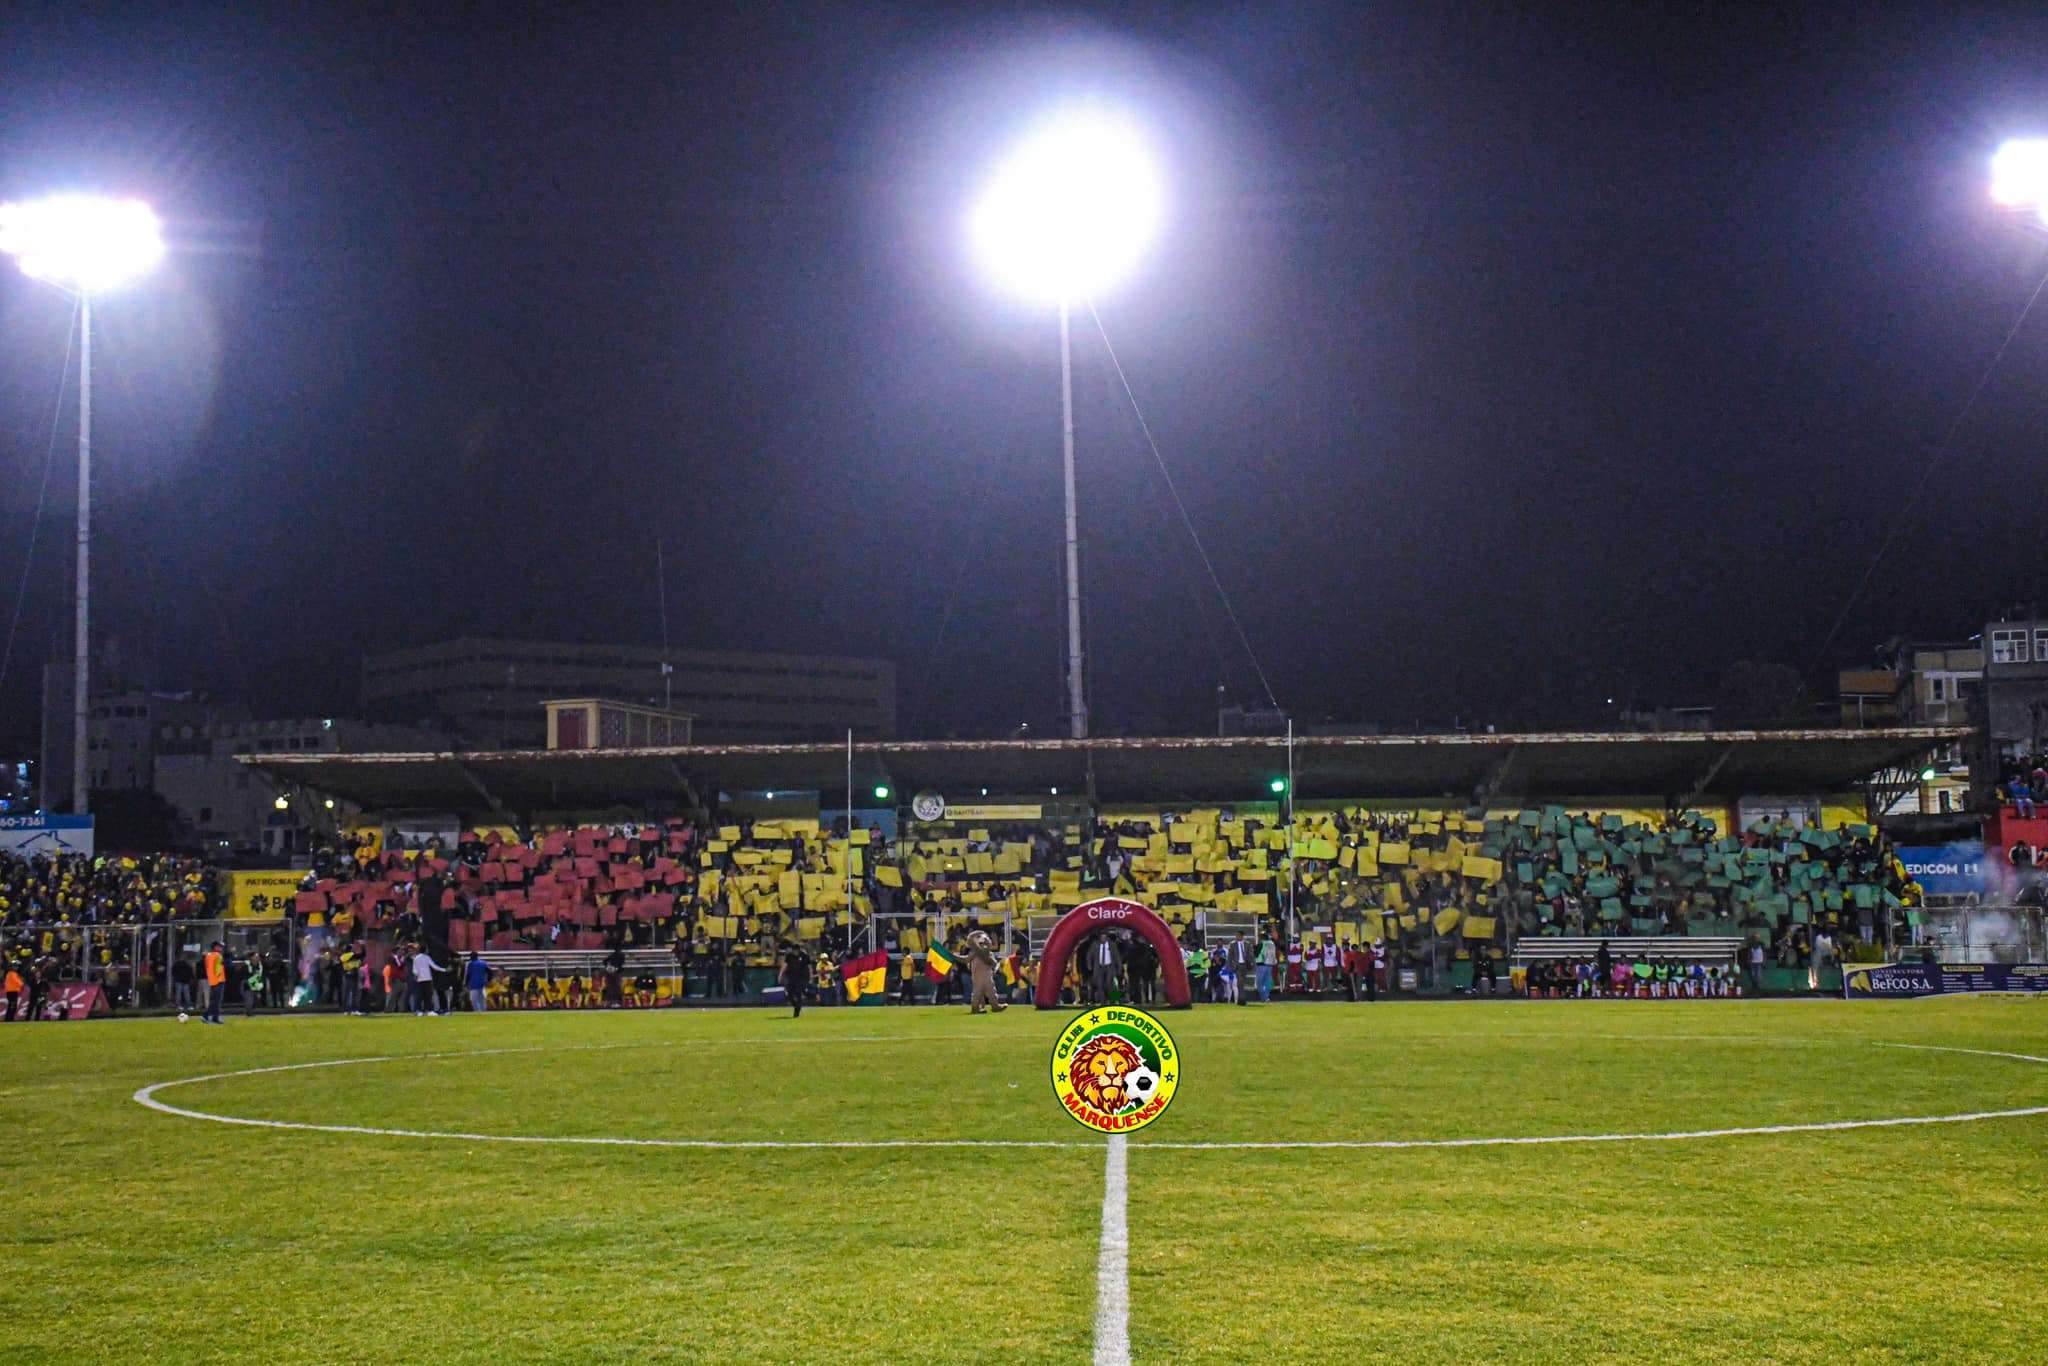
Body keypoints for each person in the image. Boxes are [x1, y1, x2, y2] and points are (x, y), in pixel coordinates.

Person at [961, 930, 1005, 1015]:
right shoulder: (975, 953)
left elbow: (994, 963)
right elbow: (967, 960)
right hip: (978, 976)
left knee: (990, 991)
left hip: (984, 975)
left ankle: (993, 1006)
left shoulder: (986, 953)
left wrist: (994, 968)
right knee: (978, 993)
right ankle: (977, 1008)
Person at [411, 945, 447, 1016]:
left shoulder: (416, 958)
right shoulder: (427, 957)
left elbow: (414, 970)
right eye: (427, 949)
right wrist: (444, 969)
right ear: (425, 950)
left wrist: (416, 975)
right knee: (428, 996)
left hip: (420, 979)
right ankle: (429, 1010)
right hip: (428, 979)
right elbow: (434, 966)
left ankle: (418, 1011)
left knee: (420, 995)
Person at [780, 940, 811, 1018]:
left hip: (801, 978)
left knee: (798, 993)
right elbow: (785, 965)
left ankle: (797, 1010)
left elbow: (809, 967)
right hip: (791, 978)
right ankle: (796, 1006)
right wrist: (781, 975)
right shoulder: (789, 956)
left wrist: (810, 977)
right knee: (789, 995)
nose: (795, 952)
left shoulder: (804, 956)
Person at [202, 941, 227, 1025]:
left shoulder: (209, 956)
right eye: (219, 946)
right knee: (216, 1001)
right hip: (218, 981)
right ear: (215, 947)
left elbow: (210, 969)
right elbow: (216, 969)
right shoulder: (217, 956)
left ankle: (214, 1017)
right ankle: (206, 1016)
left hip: (215, 981)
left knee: (216, 1001)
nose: (221, 948)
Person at [1256, 932, 1277, 1003]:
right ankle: (1267, 997)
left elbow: (1256, 953)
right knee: (1267, 983)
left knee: (1259, 983)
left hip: (1261, 964)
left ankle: (1264, 998)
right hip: (1270, 965)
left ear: (1262, 938)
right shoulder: (1272, 943)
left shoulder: (1262, 943)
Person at [243, 952, 265, 1018]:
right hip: (248, 985)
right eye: (255, 956)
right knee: (249, 1000)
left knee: (256, 999)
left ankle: (251, 1012)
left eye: (258, 956)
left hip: (257, 985)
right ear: (251, 957)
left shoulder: (260, 965)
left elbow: (261, 975)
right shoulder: (247, 965)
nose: (257, 958)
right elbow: (244, 976)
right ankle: (249, 1013)